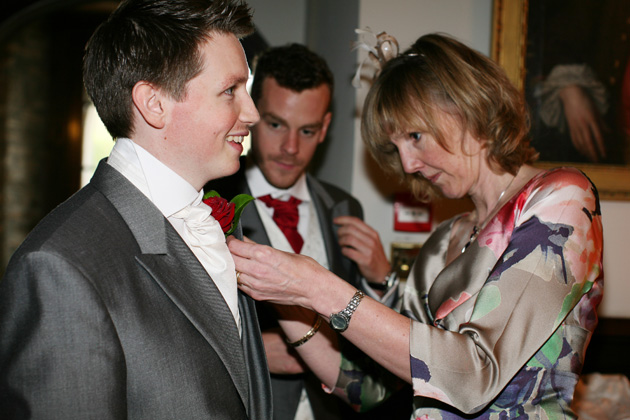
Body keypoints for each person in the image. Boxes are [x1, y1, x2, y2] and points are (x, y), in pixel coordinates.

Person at [228, 33, 604, 418]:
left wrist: (317, 286)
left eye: (415, 136)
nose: (407, 165)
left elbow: (475, 373)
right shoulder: (445, 241)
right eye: (397, 147)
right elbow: (370, 389)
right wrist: (287, 296)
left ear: (465, 107)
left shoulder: (559, 199)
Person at [0, 0, 272, 418]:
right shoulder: (59, 267)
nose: (252, 113)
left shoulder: (211, 222)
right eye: (230, 90)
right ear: (154, 103)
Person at [206, 43, 411, 420]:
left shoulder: (344, 206)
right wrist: (255, 351)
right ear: (251, 112)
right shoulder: (210, 201)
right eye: (275, 124)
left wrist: (381, 277)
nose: (290, 147)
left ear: (326, 128)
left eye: (307, 130)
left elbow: (376, 340)